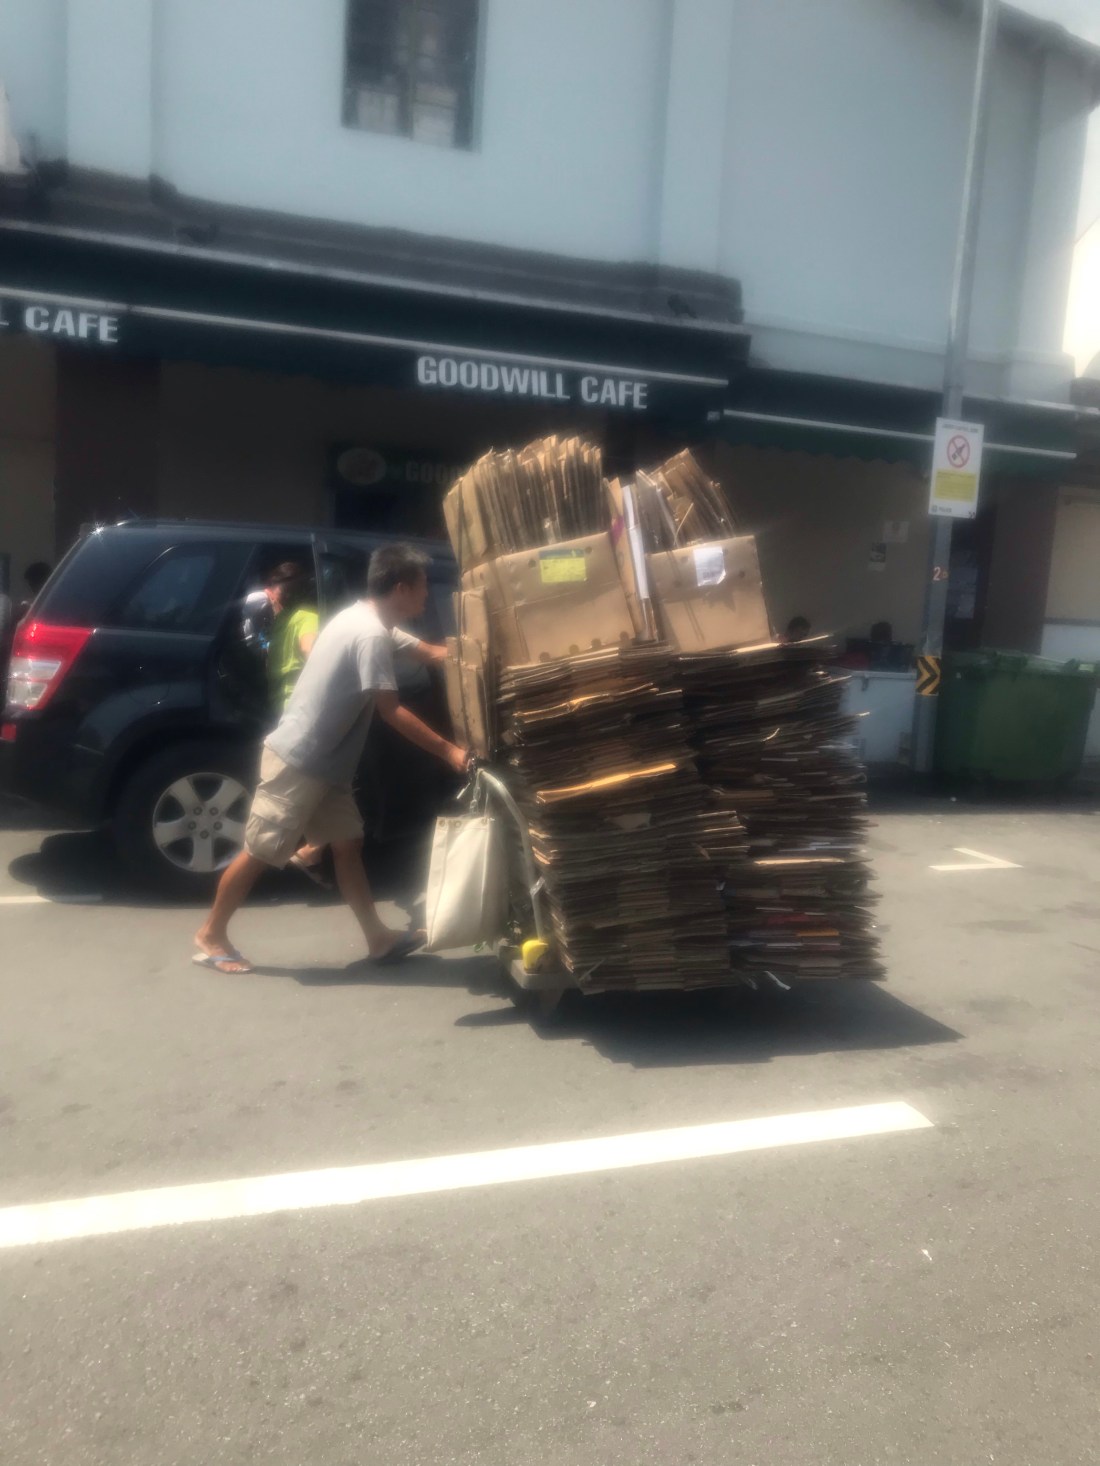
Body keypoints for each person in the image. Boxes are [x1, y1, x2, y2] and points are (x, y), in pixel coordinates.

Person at [193, 543, 467, 974]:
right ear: (401, 588)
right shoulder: (369, 634)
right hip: (299, 762)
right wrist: (450, 751)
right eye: (422, 586)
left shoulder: (362, 617)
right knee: (261, 850)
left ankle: (378, 939)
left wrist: (473, 649)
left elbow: (428, 652)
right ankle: (211, 934)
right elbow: (391, 710)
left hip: (327, 767)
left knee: (347, 844)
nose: (426, 594)